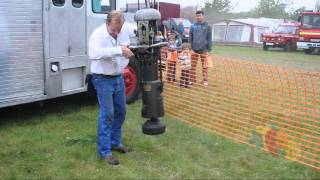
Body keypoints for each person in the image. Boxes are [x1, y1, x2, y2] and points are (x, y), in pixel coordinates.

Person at [88, 10, 135, 166]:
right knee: (107, 114)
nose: (116, 33)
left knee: (121, 112)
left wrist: (127, 51)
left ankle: (115, 142)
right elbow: (93, 53)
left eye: (118, 30)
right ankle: (104, 151)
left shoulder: (122, 32)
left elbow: (125, 46)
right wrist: (119, 50)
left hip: (118, 77)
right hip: (102, 79)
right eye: (113, 30)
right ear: (107, 23)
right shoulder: (98, 34)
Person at [189, 10, 212, 86]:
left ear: (203, 16)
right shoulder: (193, 26)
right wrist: (190, 48)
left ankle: (205, 80)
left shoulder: (207, 26)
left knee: (205, 66)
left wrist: (209, 50)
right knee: (192, 66)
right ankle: (192, 80)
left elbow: (209, 38)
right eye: (197, 16)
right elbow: (190, 37)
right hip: (194, 49)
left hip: (204, 49)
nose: (198, 17)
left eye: (200, 15)